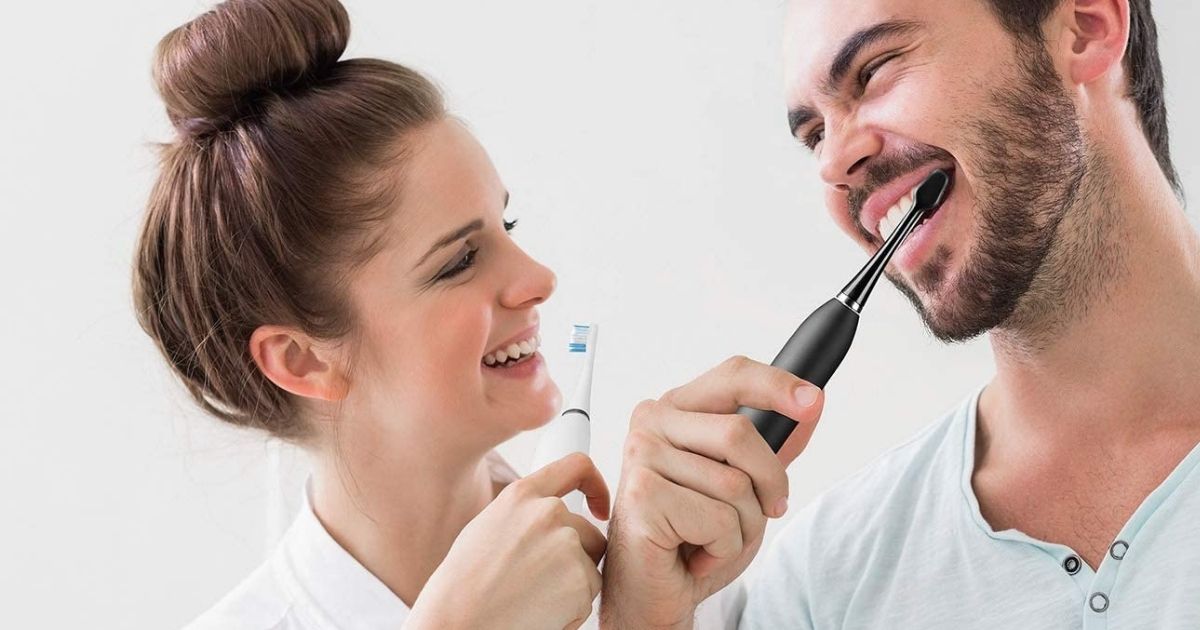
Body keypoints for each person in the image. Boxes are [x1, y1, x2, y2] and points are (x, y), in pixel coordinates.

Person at [600, 0, 1200, 628]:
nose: (832, 166)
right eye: (814, 137)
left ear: (1086, 28)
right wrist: (643, 618)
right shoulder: (823, 580)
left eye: (875, 69)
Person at [133, 0, 613, 627]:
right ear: (302, 359)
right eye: (459, 262)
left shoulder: (646, 587)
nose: (539, 279)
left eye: (508, 224)